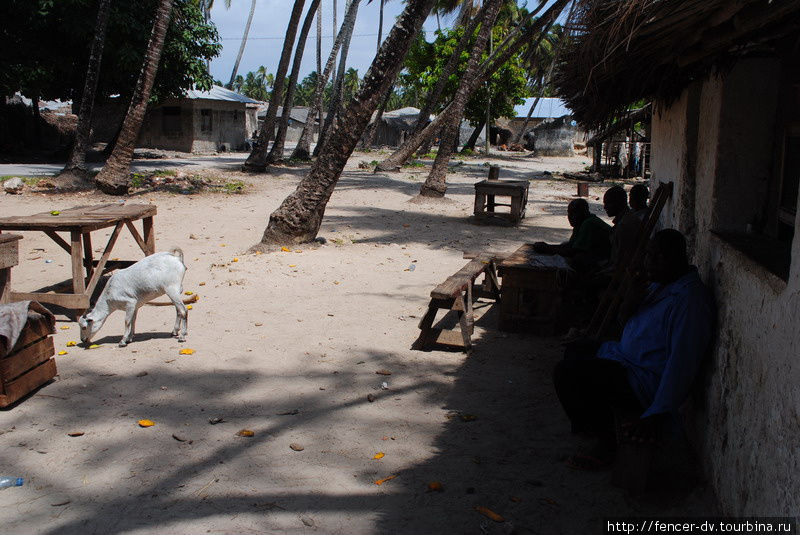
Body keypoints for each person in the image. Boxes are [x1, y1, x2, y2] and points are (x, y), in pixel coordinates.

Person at [552, 229, 715, 470]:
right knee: (576, 350)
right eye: (649, 256)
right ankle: (591, 424)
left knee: (568, 373)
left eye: (659, 257)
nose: (650, 263)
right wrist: (631, 296)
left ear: (680, 258)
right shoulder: (661, 285)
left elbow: (682, 364)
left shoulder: (689, 300)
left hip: (643, 379)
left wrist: (657, 412)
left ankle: (606, 443)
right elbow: (623, 320)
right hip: (624, 357)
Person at [532, 199, 611, 273]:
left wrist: (548, 248)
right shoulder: (580, 224)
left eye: (573, 213)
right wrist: (548, 246)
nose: (569, 217)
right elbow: (571, 245)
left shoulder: (589, 223)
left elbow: (572, 251)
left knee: (578, 259)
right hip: (598, 255)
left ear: (583, 213)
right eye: (569, 213)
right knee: (564, 245)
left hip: (607, 259)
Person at [603, 185, 643, 271]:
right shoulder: (627, 218)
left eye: (608, 203)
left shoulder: (624, 225)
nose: (605, 207)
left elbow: (621, 261)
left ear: (618, 203)